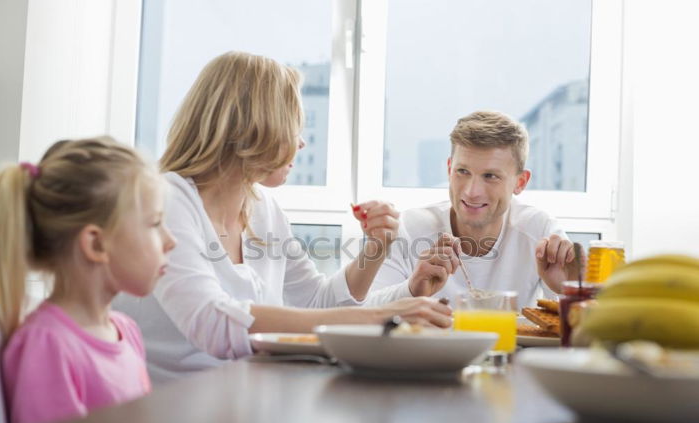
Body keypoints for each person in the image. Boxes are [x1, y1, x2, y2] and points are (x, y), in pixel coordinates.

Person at [114, 51, 451, 383]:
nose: (301, 143)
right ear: (254, 127)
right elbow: (213, 325)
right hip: (166, 411)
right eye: (294, 127)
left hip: (239, 400)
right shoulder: (166, 200)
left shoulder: (262, 209)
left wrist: (375, 249)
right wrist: (383, 317)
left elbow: (316, 306)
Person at [0, 137, 176, 423]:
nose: (171, 241)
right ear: (96, 243)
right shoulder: (47, 345)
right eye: (155, 223)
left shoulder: (126, 331)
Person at [365, 111, 578, 308]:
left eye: (490, 176)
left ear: (520, 182)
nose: (471, 192)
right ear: (449, 170)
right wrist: (411, 289)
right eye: (463, 171)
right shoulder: (409, 229)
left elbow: (589, 331)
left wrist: (567, 291)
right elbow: (360, 312)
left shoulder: (540, 231)